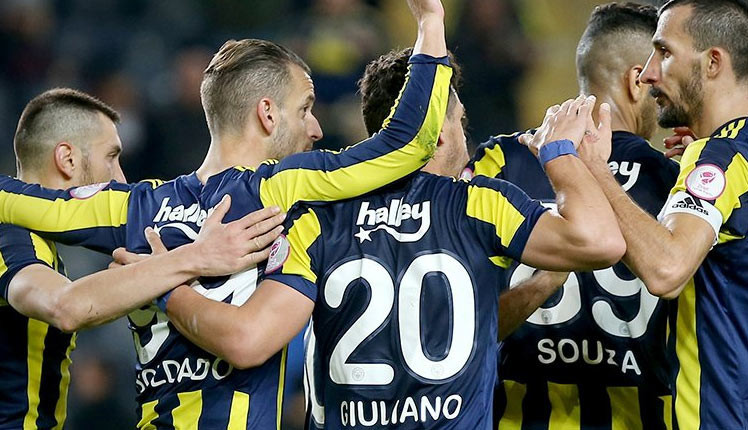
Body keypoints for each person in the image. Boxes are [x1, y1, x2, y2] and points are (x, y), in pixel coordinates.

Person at [0, 0, 454, 427]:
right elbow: (409, 143)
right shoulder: (282, 186)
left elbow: (24, 198)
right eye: (305, 108)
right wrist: (429, 22)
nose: (316, 128)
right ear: (267, 114)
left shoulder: (135, 206)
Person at [140, 35, 628, 426]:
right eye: (460, 122)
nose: (467, 139)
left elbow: (248, 340)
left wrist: (166, 285)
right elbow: (602, 242)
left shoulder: (317, 219)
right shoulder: (479, 205)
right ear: (439, 131)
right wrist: (560, 154)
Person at [0, 88, 284, 429]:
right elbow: (66, 306)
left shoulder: (36, 243)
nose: (120, 178)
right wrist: (197, 255)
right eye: (111, 157)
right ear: (68, 159)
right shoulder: (10, 236)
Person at [462, 3, 680, 428]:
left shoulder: (499, 162)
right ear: (637, 81)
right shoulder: (677, 181)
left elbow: (458, 317)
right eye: (657, 83)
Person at [575, 0, 748, 428]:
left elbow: (667, 268)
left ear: (712, 63)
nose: (649, 73)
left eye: (664, 52)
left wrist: (596, 171)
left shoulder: (721, 159)